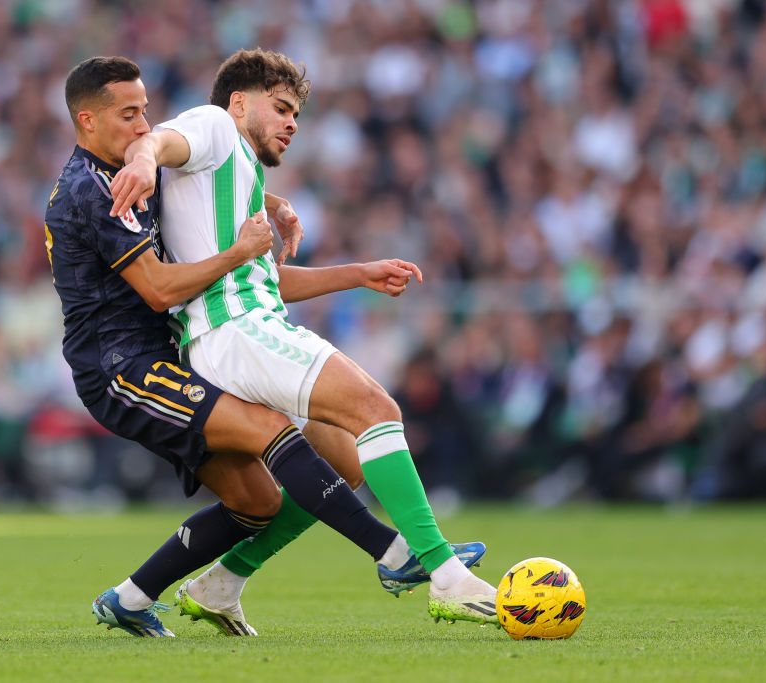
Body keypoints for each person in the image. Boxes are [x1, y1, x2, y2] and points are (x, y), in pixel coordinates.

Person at [46, 57, 484, 638]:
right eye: (129, 115)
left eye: (145, 111)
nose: (143, 124)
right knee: (337, 418)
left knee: (274, 492)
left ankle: (171, 592)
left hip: (177, 349)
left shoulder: (203, 174)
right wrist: (152, 160)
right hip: (128, 366)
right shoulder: (151, 157)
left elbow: (252, 269)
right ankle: (410, 558)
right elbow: (158, 283)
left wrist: (341, 260)